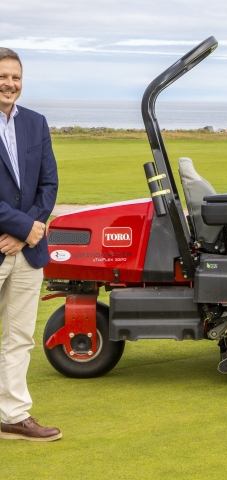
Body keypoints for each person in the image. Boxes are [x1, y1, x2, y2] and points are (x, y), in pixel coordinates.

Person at [0, 48, 61, 442]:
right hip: (13, 239)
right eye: (3, 76)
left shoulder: (36, 123)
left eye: (15, 78)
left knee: (19, 337)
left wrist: (30, 230)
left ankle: (13, 415)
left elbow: (49, 184)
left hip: (27, 250)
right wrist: (25, 226)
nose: (9, 84)